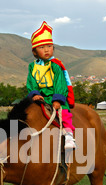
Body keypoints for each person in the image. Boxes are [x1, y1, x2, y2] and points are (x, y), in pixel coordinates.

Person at [26, 21, 76, 149]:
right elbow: (31, 82)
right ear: (35, 52)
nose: (46, 49)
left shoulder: (55, 65)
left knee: (64, 114)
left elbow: (60, 82)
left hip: (55, 95)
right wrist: (35, 94)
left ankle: (69, 136)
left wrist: (58, 99)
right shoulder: (32, 66)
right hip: (41, 97)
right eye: (41, 47)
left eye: (49, 46)